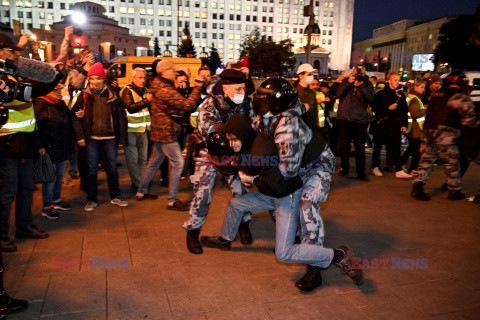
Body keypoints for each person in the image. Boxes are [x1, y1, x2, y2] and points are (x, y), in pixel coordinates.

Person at [201, 115, 364, 292]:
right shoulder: (236, 129)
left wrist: (253, 179)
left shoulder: (258, 156)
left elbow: (279, 187)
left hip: (286, 195)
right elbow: (238, 120)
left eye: (230, 160)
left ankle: (339, 255)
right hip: (270, 189)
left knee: (284, 253)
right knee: (235, 204)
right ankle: (225, 240)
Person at [183, 69, 255, 254]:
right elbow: (211, 134)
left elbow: (253, 125)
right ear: (225, 88)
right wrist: (233, 137)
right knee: (203, 194)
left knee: (241, 191)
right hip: (209, 153)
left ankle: (244, 224)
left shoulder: (246, 103)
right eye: (238, 89)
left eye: (243, 88)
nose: (242, 92)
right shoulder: (209, 104)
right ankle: (193, 231)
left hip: (235, 152)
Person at [0, 34, 59, 252]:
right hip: (6, 143)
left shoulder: (12, 75)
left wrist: (55, 72)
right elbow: (32, 91)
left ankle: (23, 226)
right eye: (13, 51)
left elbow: (33, 92)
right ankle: (2, 235)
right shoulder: (4, 79)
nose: (17, 55)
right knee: (8, 192)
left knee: (25, 188)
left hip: (24, 142)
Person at [136, 60, 204, 208]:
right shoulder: (166, 90)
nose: (175, 73)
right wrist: (198, 87)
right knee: (178, 163)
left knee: (153, 162)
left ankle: (141, 191)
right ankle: (172, 200)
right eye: (173, 70)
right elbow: (187, 105)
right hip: (167, 133)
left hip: (160, 132)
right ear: (165, 71)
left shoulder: (157, 86)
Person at [411, 71, 480, 201]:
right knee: (452, 164)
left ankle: (417, 186)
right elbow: (469, 121)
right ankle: (454, 191)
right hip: (447, 136)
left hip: (428, 134)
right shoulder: (459, 97)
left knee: (425, 162)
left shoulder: (436, 94)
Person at [71, 63, 129, 212]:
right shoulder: (84, 95)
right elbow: (75, 116)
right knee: (91, 170)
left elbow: (122, 117)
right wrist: (80, 136)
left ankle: (115, 196)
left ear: (103, 79)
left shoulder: (113, 95)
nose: (95, 82)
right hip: (91, 138)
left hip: (110, 137)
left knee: (112, 169)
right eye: (91, 79)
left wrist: (122, 137)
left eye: (98, 78)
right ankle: (91, 199)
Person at [34, 79, 73, 219]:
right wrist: (40, 146)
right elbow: (36, 127)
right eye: (55, 90)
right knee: (50, 177)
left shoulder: (60, 104)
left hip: (61, 146)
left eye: (59, 90)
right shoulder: (41, 103)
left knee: (59, 176)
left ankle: (56, 200)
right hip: (48, 147)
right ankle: (47, 206)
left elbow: (69, 117)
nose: (59, 93)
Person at [335, 65, 375, 180]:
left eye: (359, 71)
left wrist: (361, 85)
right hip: (344, 119)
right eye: (355, 71)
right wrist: (348, 82)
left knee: (360, 147)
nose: (357, 73)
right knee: (344, 146)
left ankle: (360, 172)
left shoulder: (367, 83)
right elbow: (338, 94)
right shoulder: (346, 81)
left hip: (359, 120)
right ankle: (345, 167)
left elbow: (371, 99)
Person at [120, 67, 155, 194]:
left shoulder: (146, 91)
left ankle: (142, 181)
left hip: (143, 129)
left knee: (143, 158)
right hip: (131, 130)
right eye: (139, 78)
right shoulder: (127, 91)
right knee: (133, 159)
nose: (142, 80)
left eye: (144, 78)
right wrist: (147, 100)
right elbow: (130, 108)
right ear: (133, 78)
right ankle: (137, 183)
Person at [370, 72, 411, 178]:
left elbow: (404, 111)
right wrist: (387, 108)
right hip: (382, 123)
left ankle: (398, 169)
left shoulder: (401, 95)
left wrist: (404, 124)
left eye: (398, 80)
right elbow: (375, 108)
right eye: (395, 80)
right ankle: (375, 167)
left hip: (395, 124)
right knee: (378, 146)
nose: (397, 82)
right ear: (389, 81)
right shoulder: (380, 94)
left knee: (396, 147)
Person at [400, 79, 427, 174]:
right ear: (415, 87)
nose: (423, 89)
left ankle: (402, 163)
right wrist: (424, 109)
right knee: (415, 150)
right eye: (421, 87)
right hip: (415, 128)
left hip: (412, 127)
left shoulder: (411, 97)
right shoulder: (415, 99)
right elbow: (415, 114)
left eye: (424, 87)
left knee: (412, 148)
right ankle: (413, 168)